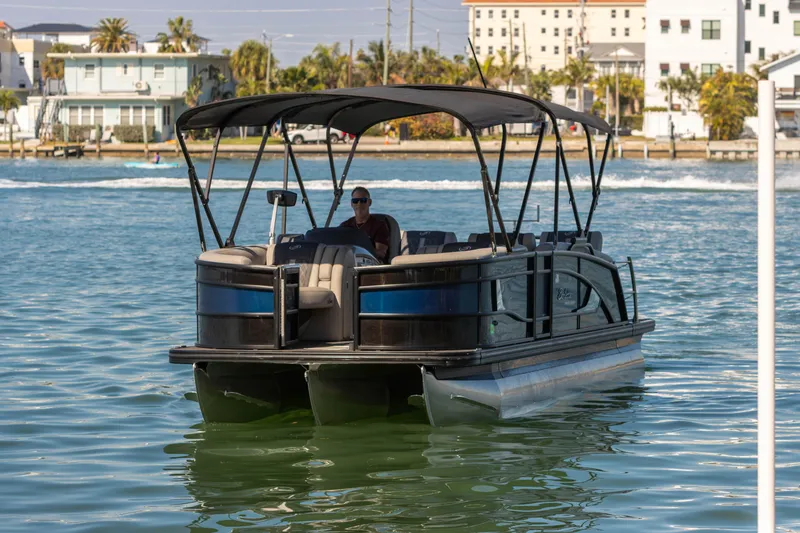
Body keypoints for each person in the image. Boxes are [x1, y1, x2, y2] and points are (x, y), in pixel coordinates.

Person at [340, 186, 390, 262]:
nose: (359, 204)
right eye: (355, 201)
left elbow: (381, 253)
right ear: (351, 204)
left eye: (363, 200)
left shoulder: (379, 225)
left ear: (369, 202)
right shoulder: (345, 226)